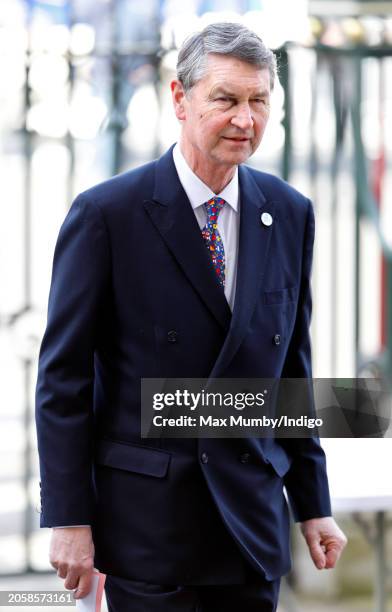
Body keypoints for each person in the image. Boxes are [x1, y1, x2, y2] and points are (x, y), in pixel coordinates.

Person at [35, 22, 347, 612]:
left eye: (259, 101)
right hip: (150, 531)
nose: (245, 119)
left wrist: (313, 504)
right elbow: (63, 382)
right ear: (180, 99)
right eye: (226, 99)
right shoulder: (108, 214)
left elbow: (290, 373)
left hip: (250, 528)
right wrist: (70, 518)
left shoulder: (289, 212)